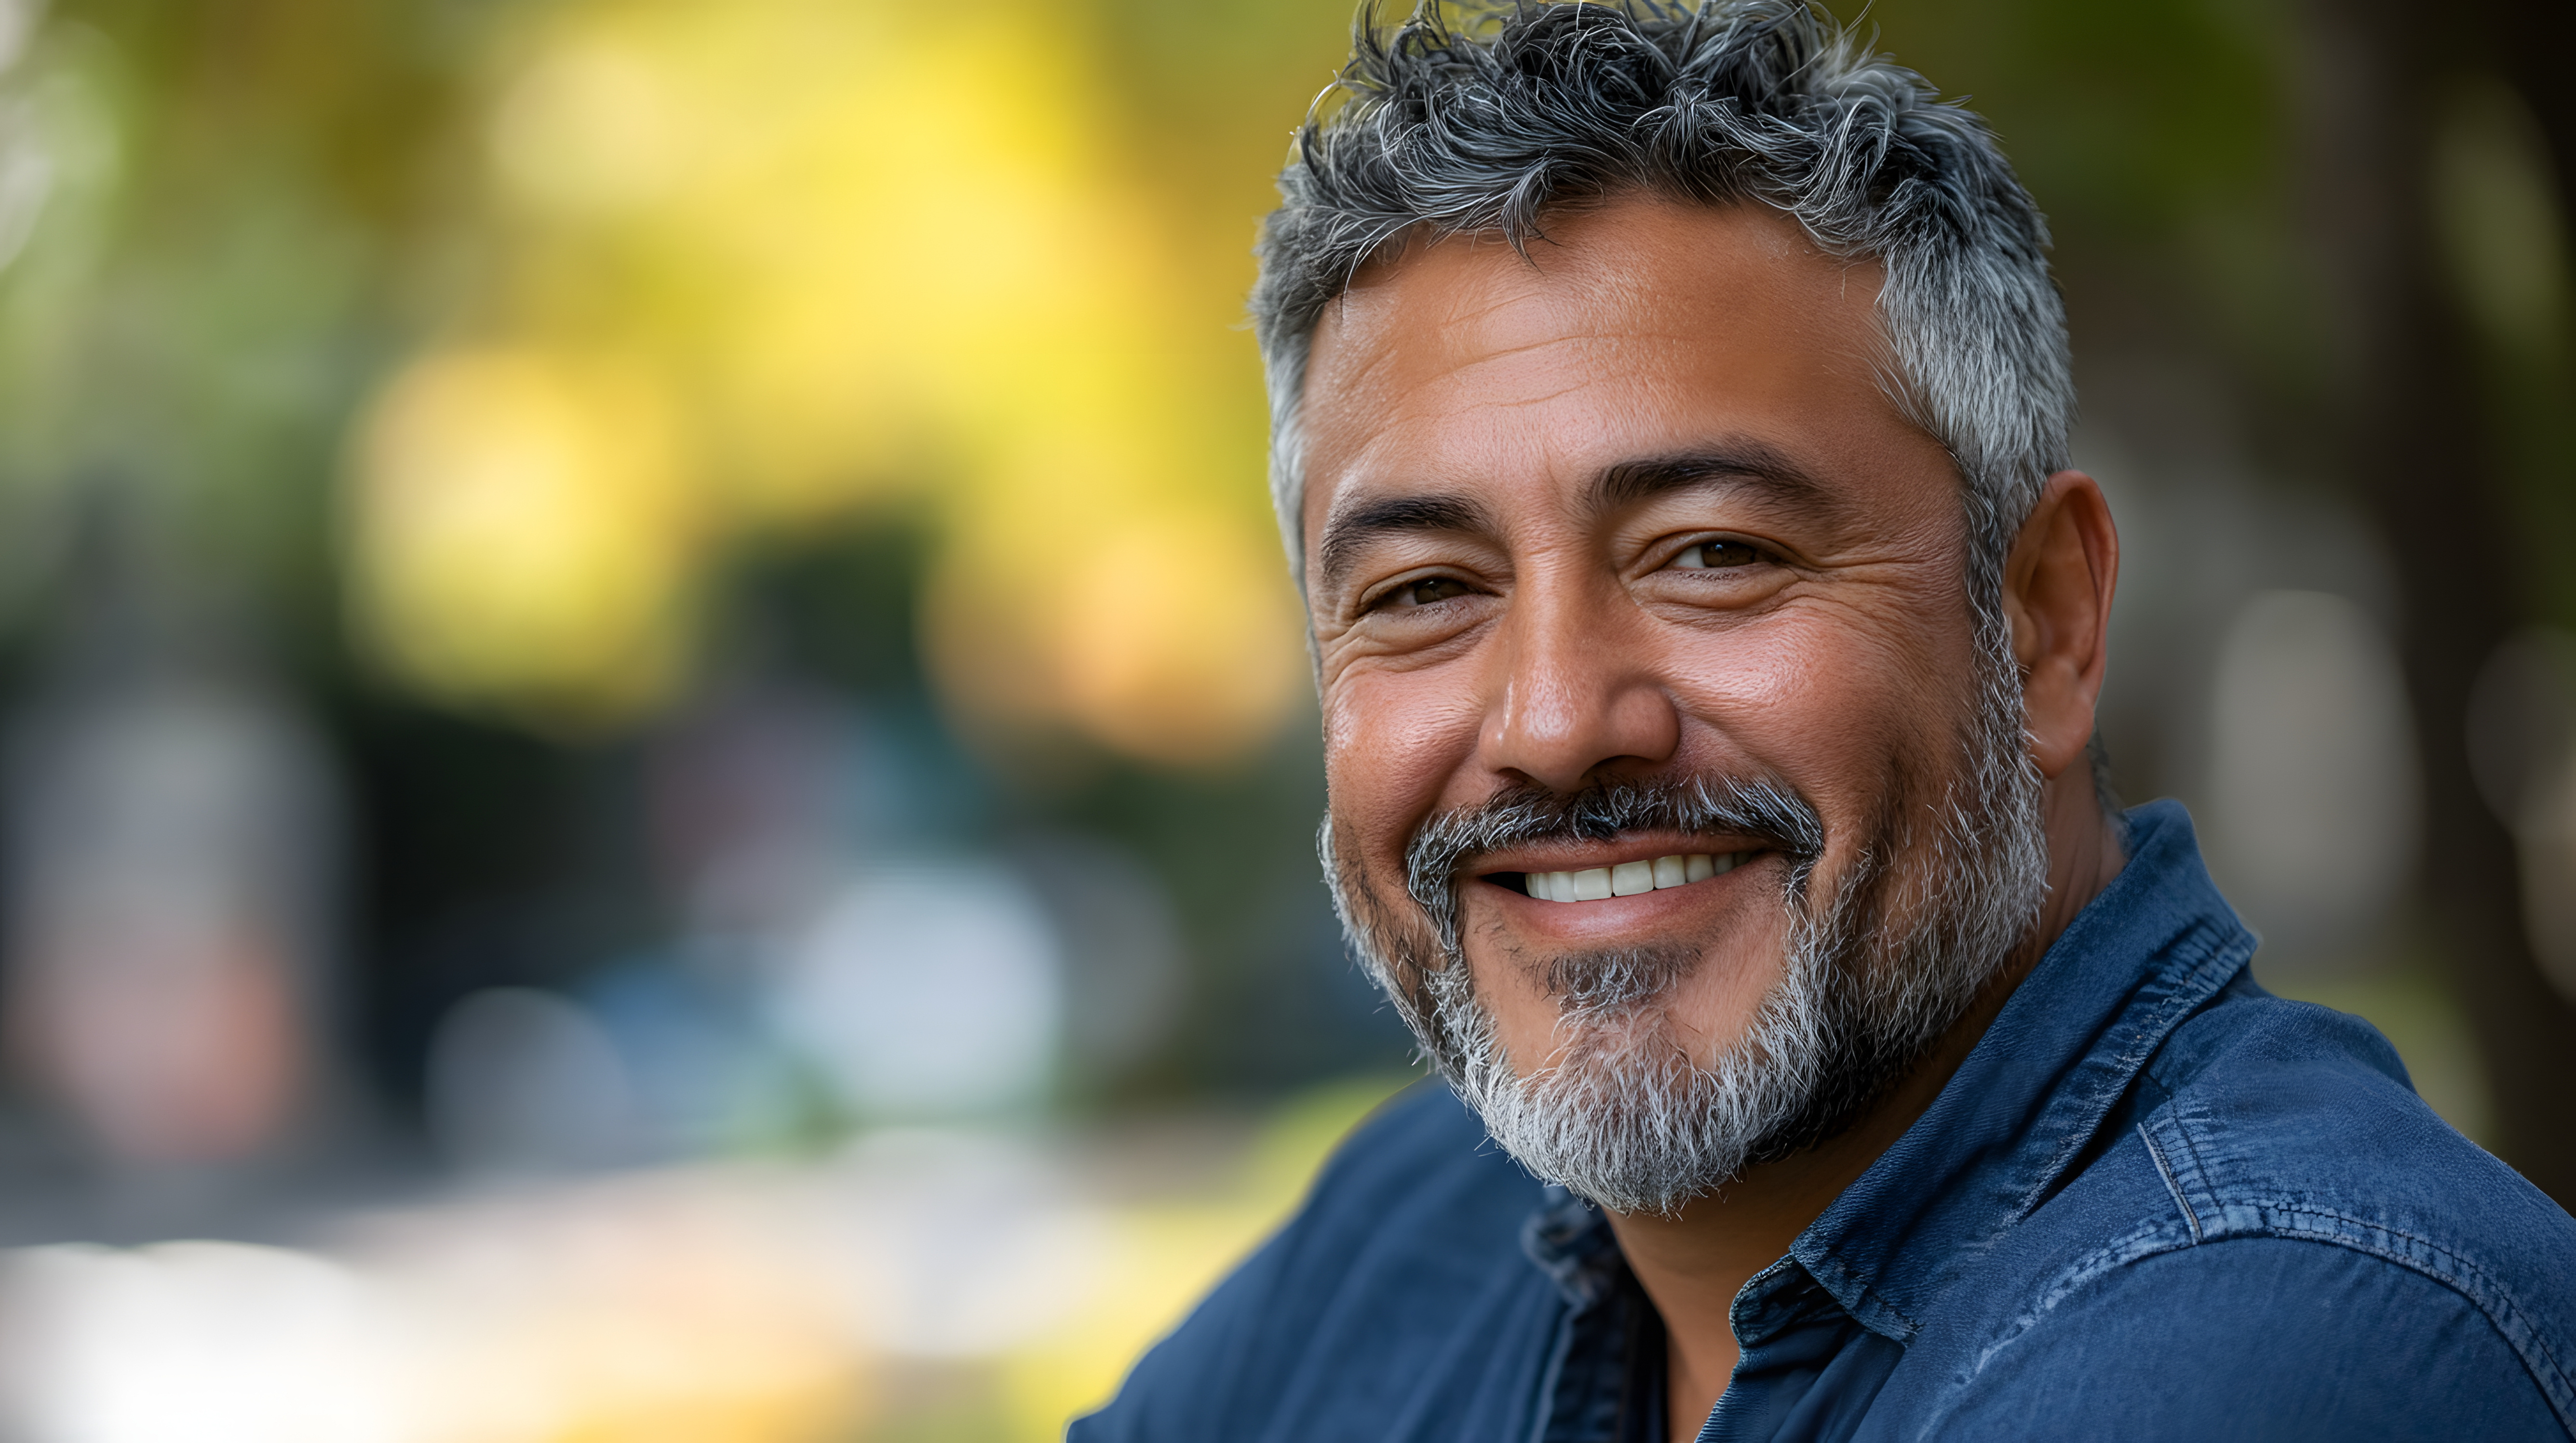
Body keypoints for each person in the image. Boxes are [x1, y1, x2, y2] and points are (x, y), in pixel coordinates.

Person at [1071, 2, 2576, 1439]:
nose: (1556, 719)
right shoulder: (1415, 1229)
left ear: (2044, 619)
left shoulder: (2282, 1341)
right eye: (1423, 590)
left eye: (1713, 552)